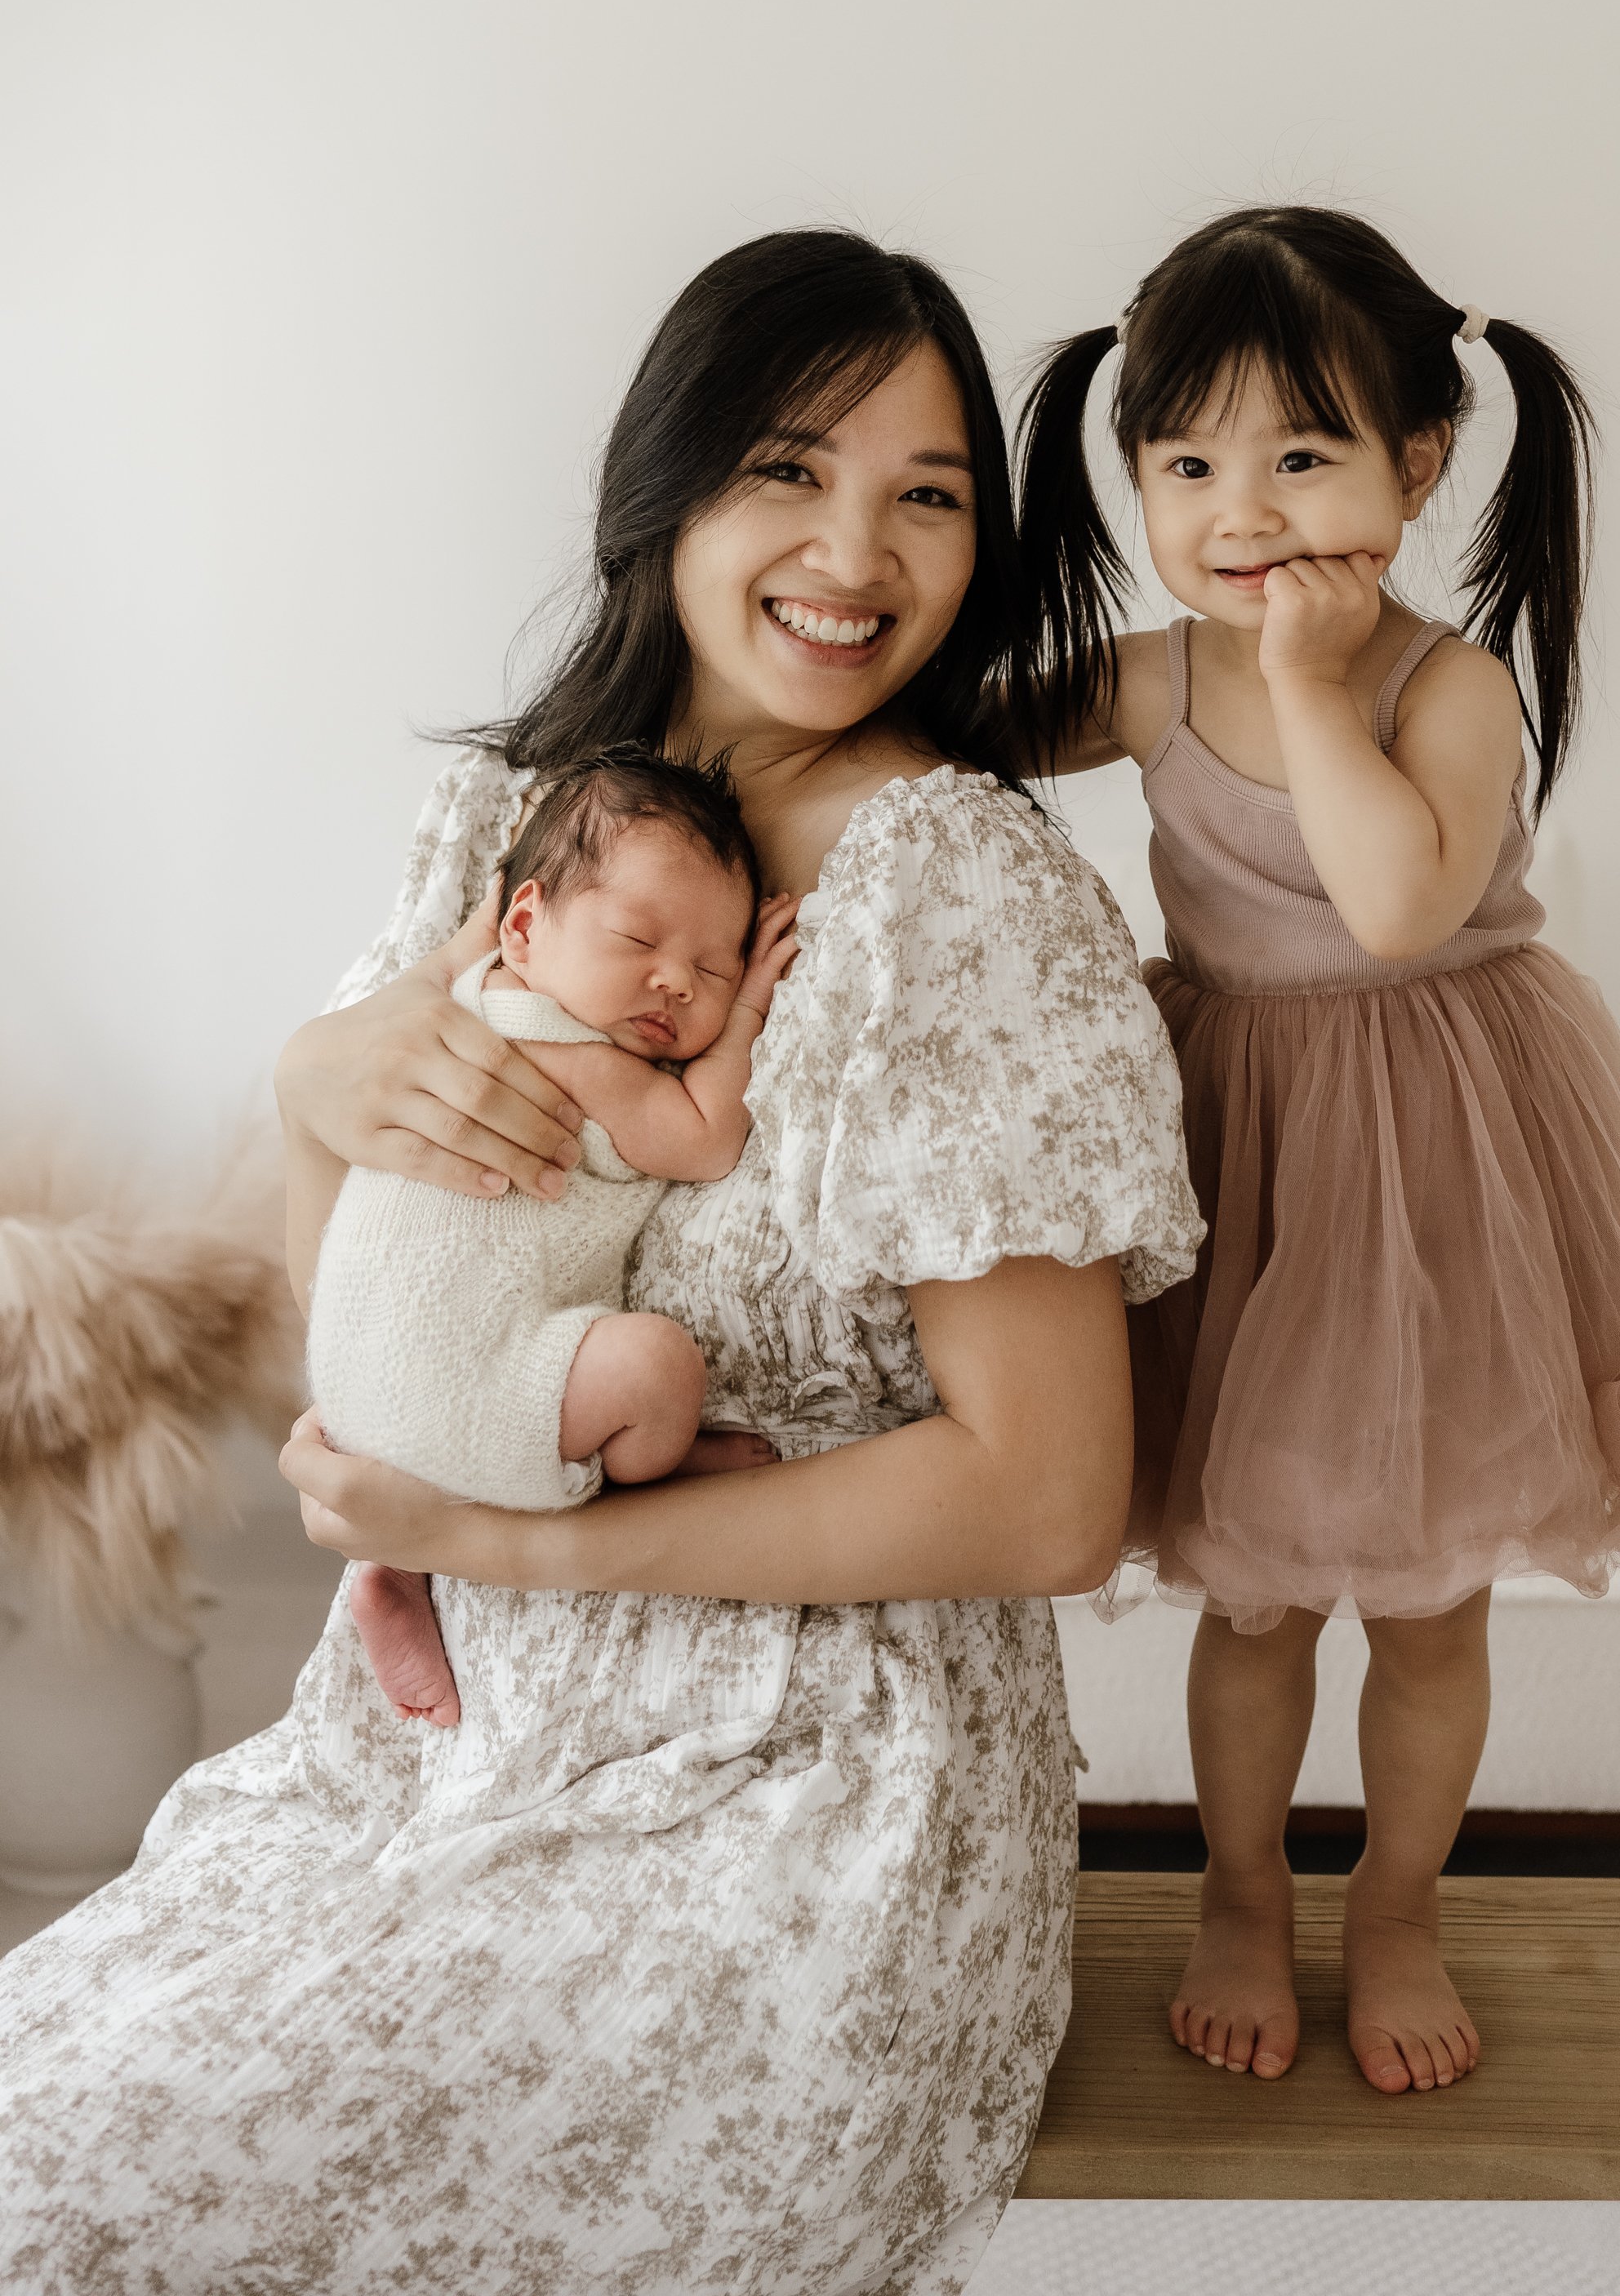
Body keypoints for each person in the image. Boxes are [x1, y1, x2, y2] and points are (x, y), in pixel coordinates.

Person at [0, 229, 1203, 2295]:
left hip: (808, 1805)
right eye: (788, 468)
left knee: (79, 2186)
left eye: (926, 493)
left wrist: (543, 1552)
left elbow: (1041, 1494)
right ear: (662, 488)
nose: (857, 548)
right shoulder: (501, 834)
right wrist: (315, 1089)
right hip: (435, 1730)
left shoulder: (945, 890)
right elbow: (375, 1323)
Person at [1016, 205, 1620, 2098]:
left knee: (1425, 1604)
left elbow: (1383, 908)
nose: (1237, 508)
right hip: (1241, 1162)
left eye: (1297, 453)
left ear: (1412, 465)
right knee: (1249, 1589)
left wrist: (1294, 680)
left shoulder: (1442, 688)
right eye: (1182, 461)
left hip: (1443, 1170)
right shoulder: (1139, 678)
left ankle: (1401, 1900)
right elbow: (921, 750)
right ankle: (1242, 1890)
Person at [313, 749, 799, 1729]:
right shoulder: (570, 1050)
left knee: (462, 1371)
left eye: (712, 964)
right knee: (656, 1365)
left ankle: (391, 1569)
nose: (674, 982)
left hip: (348, 1392)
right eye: (638, 940)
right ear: (525, 926)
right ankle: (627, 1476)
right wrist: (749, 1004)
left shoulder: (466, 999)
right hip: (464, 1388)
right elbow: (704, 1142)